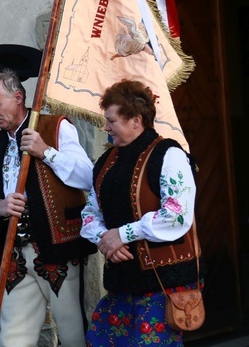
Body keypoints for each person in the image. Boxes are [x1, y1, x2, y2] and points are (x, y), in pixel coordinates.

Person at [0, 69, 97, 347]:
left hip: (58, 249)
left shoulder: (55, 127)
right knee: (13, 339)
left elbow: (87, 177)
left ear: (17, 97)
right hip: (14, 253)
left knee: (73, 332)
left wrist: (46, 152)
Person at [80, 79, 202, 346]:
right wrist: (106, 239)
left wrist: (122, 234)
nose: (106, 127)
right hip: (121, 280)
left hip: (162, 283)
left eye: (111, 120)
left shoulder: (168, 154)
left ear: (136, 120)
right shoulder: (106, 161)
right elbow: (90, 212)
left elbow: (176, 214)